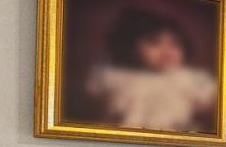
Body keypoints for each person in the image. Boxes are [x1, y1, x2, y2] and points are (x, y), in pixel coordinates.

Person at [87, 8, 217, 133]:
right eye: (154, 43)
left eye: (175, 43)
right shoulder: (115, 77)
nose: (167, 50)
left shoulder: (188, 79)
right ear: (129, 46)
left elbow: (213, 109)